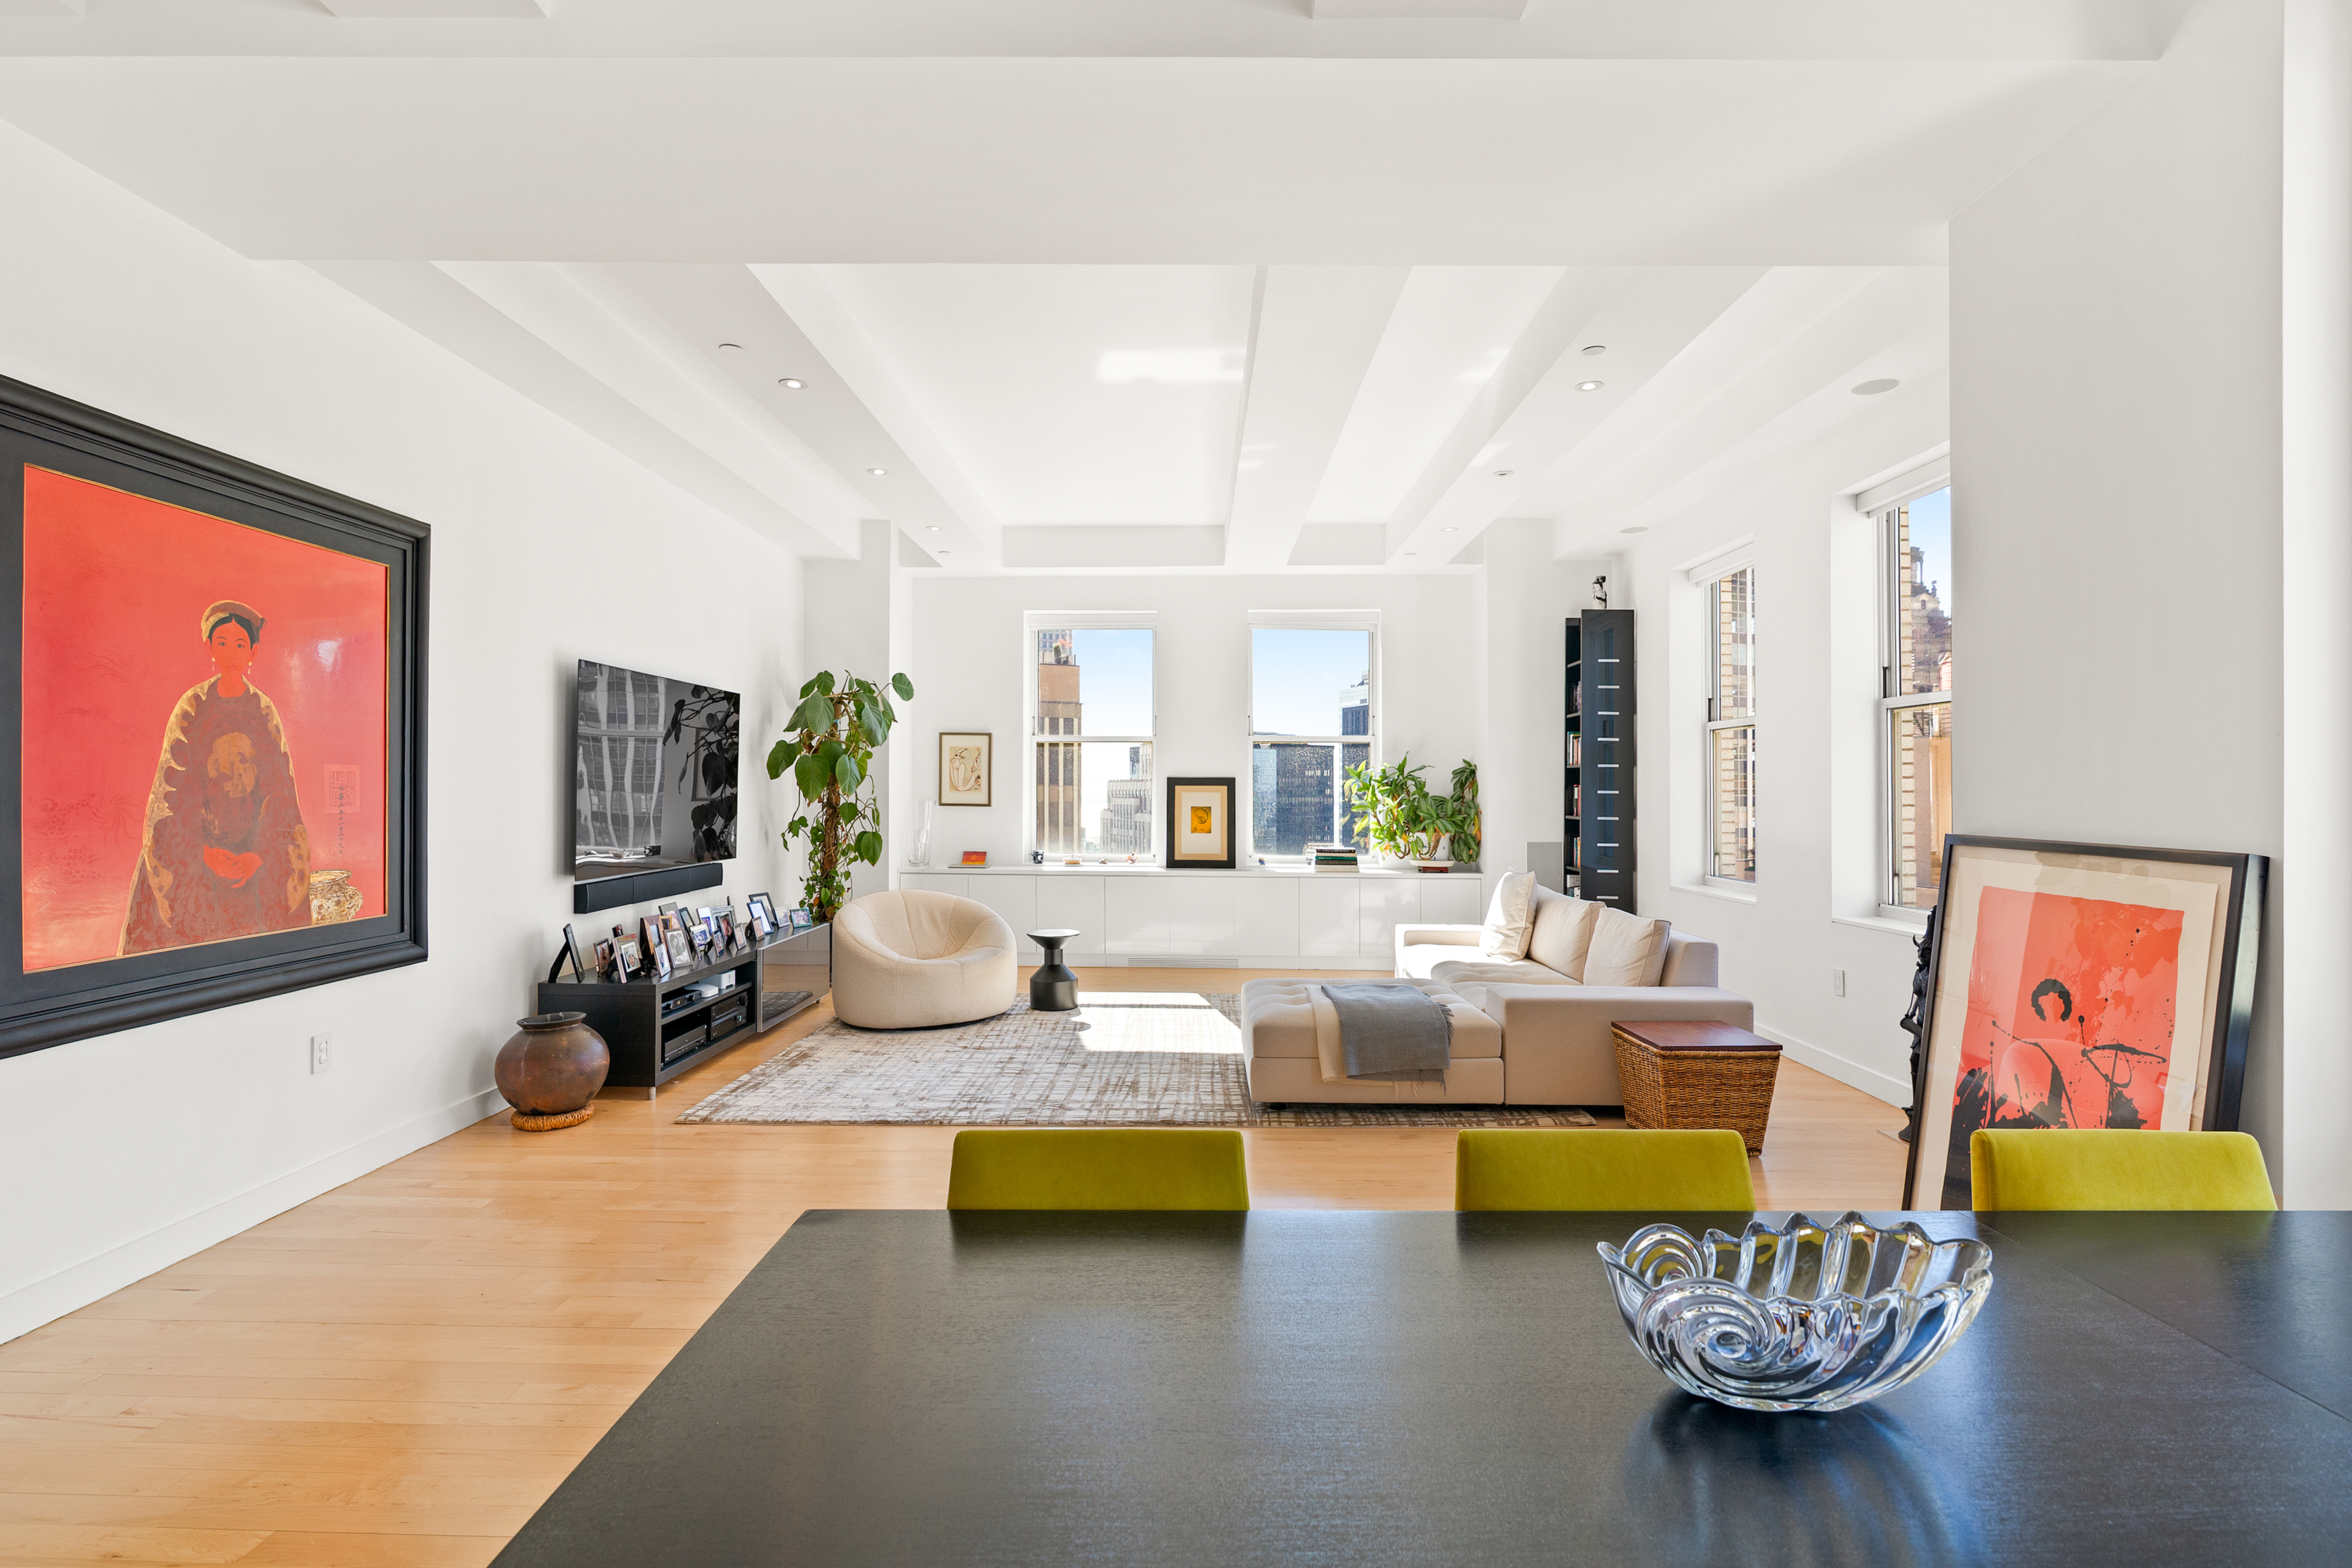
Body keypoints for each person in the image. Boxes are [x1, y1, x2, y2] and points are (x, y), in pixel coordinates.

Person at [119, 600, 312, 955]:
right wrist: (204, 853)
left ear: (253, 651)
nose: (231, 653)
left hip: (255, 854)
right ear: (210, 647)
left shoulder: (264, 711)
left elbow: (280, 797)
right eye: (222, 643)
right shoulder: (192, 708)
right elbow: (173, 796)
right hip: (196, 853)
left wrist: (259, 855)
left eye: (240, 645)